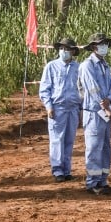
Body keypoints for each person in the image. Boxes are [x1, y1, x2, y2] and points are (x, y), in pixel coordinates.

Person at [38, 37, 82, 182]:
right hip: (58, 108)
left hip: (73, 108)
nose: (64, 51)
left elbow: (82, 89)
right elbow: (44, 89)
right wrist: (49, 106)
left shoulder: (78, 68)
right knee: (57, 140)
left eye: (67, 49)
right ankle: (57, 170)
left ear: (73, 51)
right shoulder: (51, 66)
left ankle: (67, 169)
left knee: (69, 140)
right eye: (62, 48)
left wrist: (81, 108)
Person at [79, 32, 111, 195]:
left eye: (105, 44)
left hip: (105, 111)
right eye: (101, 44)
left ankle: (103, 180)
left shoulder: (105, 65)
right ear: (94, 47)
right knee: (94, 147)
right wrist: (105, 106)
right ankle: (92, 182)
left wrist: (109, 98)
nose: (104, 47)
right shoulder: (87, 66)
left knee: (105, 148)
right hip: (94, 112)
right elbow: (92, 88)